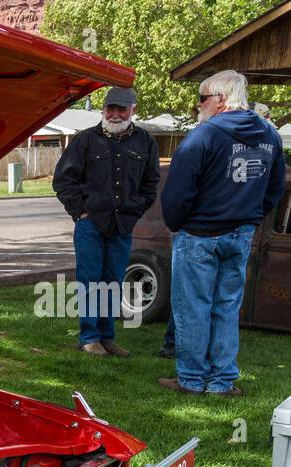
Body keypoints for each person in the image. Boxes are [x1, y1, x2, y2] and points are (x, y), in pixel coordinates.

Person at [158, 71, 286, 396]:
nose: (198, 105)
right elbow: (274, 189)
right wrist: (251, 219)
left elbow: (178, 192)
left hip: (200, 234)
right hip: (240, 234)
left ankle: (191, 378)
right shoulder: (269, 136)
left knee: (193, 307)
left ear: (219, 98)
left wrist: (178, 223)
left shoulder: (204, 136)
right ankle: (221, 381)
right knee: (227, 308)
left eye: (201, 98)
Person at [54, 86, 161, 357]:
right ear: (103, 109)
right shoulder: (85, 140)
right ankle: (89, 337)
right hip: (90, 224)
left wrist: (134, 211)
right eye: (110, 108)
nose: (114, 114)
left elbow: (151, 185)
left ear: (133, 110)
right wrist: (80, 212)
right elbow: (64, 180)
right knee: (90, 280)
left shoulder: (145, 142)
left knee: (113, 281)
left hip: (122, 225)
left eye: (121, 109)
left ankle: (107, 336)